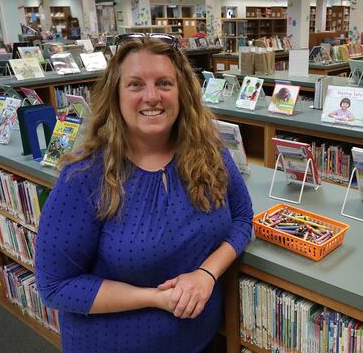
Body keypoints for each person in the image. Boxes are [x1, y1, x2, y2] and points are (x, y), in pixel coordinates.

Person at [35, 35, 254, 353]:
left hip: (200, 341)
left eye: (164, 83)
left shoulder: (210, 153)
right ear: (116, 95)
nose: (152, 97)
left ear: (182, 92)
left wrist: (207, 273)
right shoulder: (84, 177)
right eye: (135, 85)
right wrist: (155, 298)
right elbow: (55, 286)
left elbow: (242, 218)